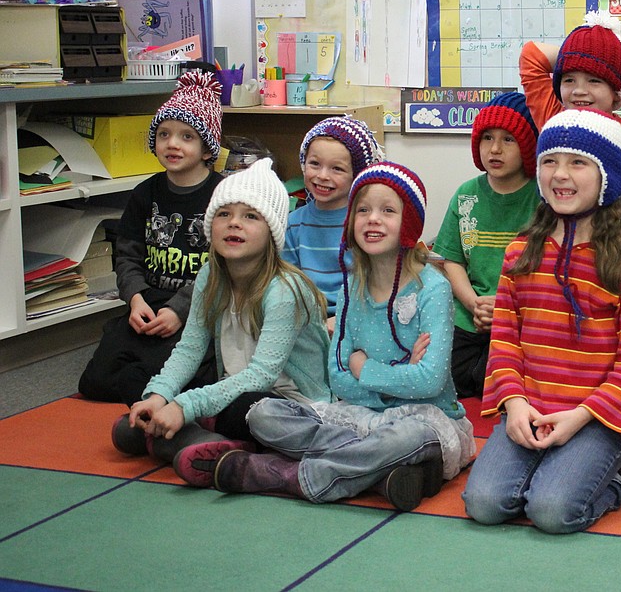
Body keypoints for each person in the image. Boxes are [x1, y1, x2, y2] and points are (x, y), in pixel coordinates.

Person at [174, 162, 476, 511]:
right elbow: (338, 378)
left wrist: (364, 368)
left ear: (407, 224)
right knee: (262, 415)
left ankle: (288, 476)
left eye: (388, 211)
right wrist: (398, 372)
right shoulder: (351, 289)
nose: (373, 219)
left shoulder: (433, 289)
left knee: (408, 436)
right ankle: (380, 473)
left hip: (425, 420)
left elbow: (429, 383)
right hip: (355, 418)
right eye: (363, 210)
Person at [462, 108, 621, 534]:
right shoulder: (520, 252)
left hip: (594, 417)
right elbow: (505, 343)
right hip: (530, 407)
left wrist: (581, 416)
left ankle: (615, 479)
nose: (560, 174)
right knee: (484, 504)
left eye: (578, 162)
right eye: (550, 161)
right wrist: (513, 405)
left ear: (607, 176)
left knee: (551, 512)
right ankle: (561, 467)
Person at [109, 157, 331, 465]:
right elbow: (189, 349)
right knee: (135, 377)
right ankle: (183, 434)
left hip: (288, 403)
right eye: (223, 213)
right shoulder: (210, 276)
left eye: (251, 216)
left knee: (250, 409)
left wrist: (185, 406)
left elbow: (261, 376)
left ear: (272, 232)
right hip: (230, 387)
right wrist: (157, 397)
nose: (234, 223)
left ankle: (181, 435)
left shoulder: (285, 290)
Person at [78, 70, 224, 405]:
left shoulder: (222, 194)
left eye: (187, 136)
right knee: (94, 382)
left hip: (199, 309)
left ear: (206, 149)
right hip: (149, 302)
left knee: (167, 374)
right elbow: (127, 253)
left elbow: (221, 267)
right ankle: (146, 381)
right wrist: (135, 299)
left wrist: (179, 310)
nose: (172, 143)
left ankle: (158, 387)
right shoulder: (146, 193)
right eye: (164, 134)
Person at [432, 92, 540, 398]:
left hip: (523, 318)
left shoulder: (542, 198)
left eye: (509, 140)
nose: (495, 149)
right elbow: (450, 259)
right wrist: (472, 303)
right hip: (470, 316)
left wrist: (506, 309)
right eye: (487, 138)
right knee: (451, 378)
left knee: (520, 381)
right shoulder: (466, 194)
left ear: (528, 146)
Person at [284, 115, 384, 333]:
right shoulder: (293, 223)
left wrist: (341, 319)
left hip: (360, 317)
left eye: (337, 169)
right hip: (307, 320)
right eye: (314, 164)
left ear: (356, 175)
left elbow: (377, 284)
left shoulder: (365, 223)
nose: (322, 176)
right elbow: (288, 283)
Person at [519, 10, 621, 150]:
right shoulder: (553, 120)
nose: (579, 91)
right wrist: (572, 55)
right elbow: (531, 55)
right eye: (569, 80)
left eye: (593, 81)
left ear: (616, 92)